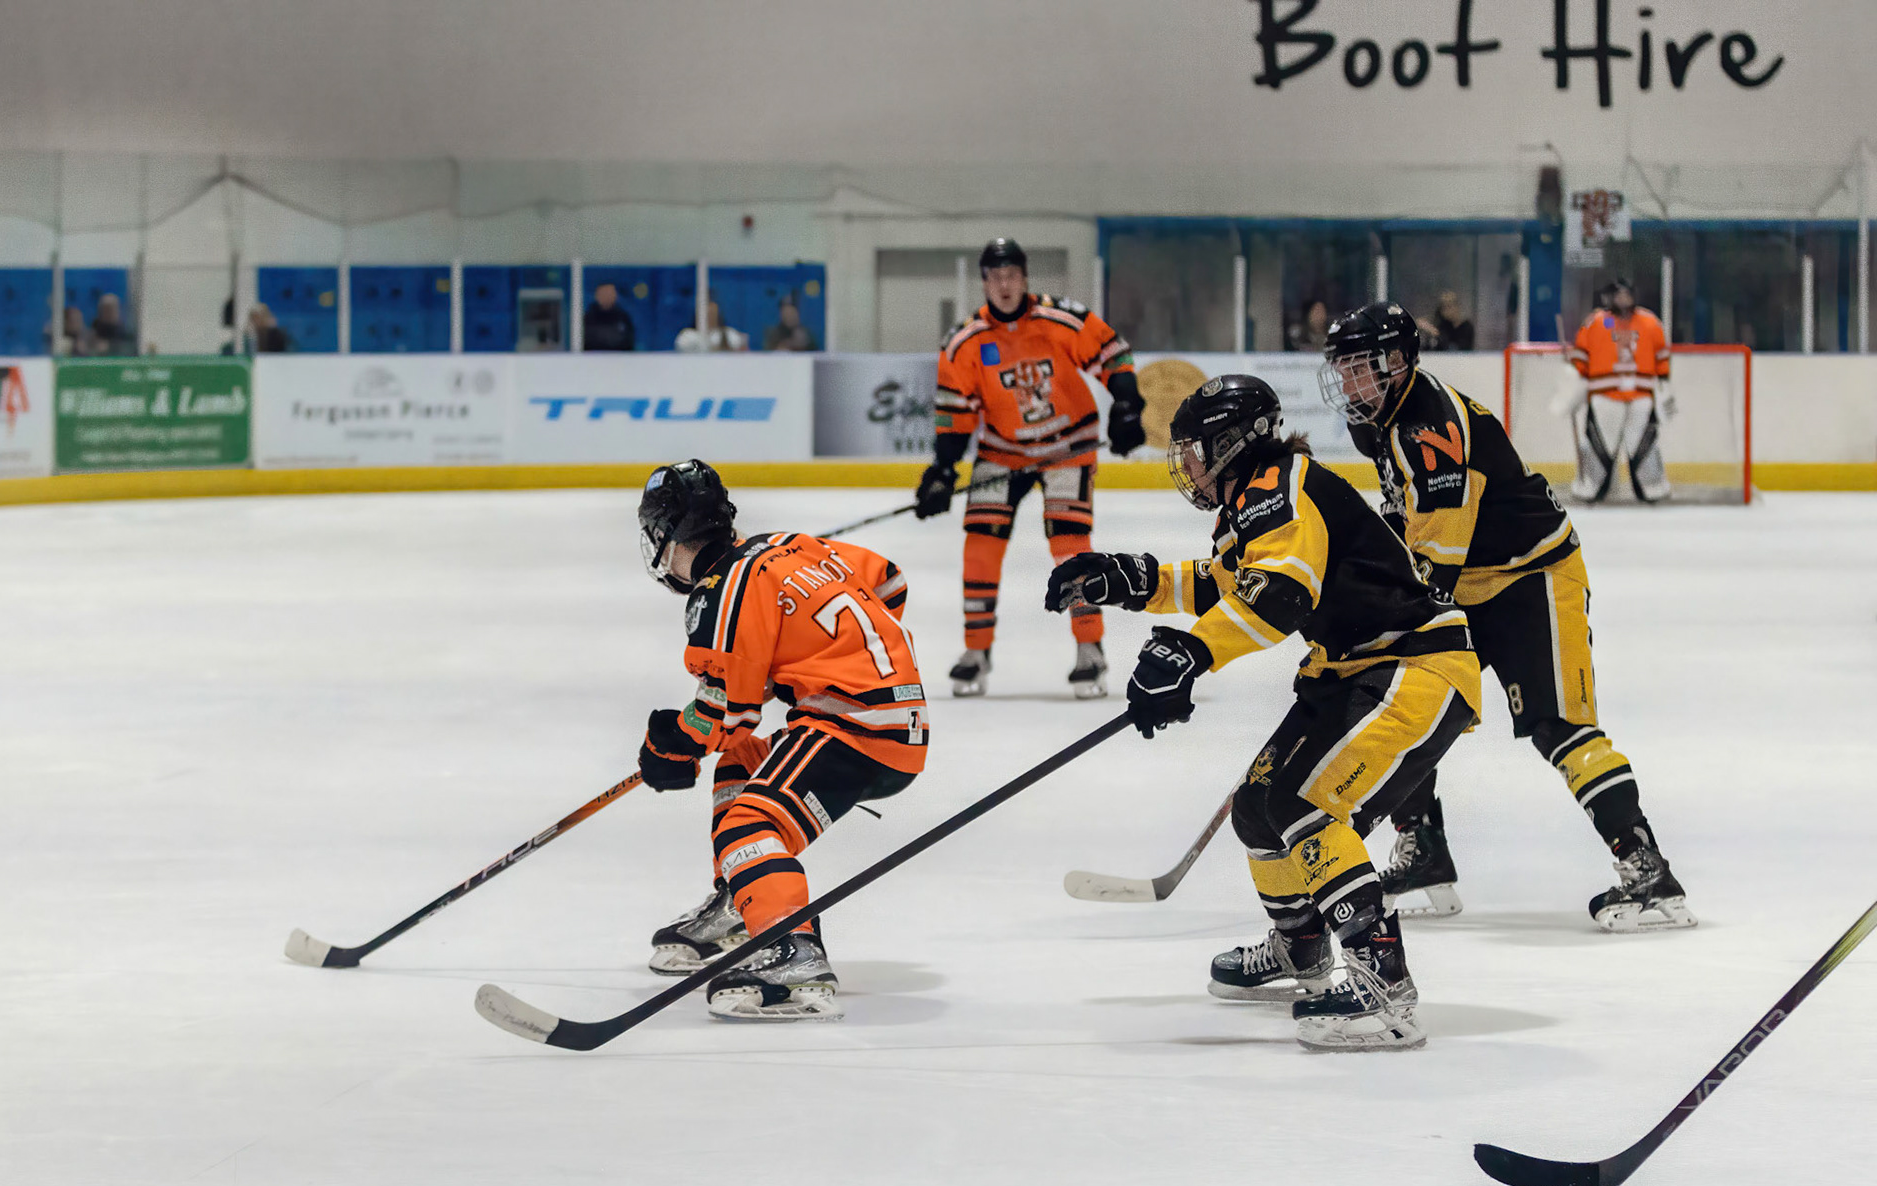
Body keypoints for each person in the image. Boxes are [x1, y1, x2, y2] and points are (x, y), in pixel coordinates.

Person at [1046, 375, 1481, 1051]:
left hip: (1413, 668)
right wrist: (1129, 580)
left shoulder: (1283, 485)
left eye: (1195, 451)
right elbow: (1224, 583)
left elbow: (1279, 595)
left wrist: (1192, 652)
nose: (1187, 466)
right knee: (1257, 806)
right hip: (1355, 670)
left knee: (1306, 805)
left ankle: (1384, 988)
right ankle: (1301, 947)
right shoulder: (1254, 501)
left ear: (1230, 445)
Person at [1320, 302, 1694, 933]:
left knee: (1559, 727)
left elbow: (1433, 567)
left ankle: (1646, 865)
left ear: (1396, 361)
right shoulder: (1377, 419)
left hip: (1531, 577)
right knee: (1405, 707)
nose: (1348, 382)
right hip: (1470, 577)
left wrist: (1359, 615)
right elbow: (1409, 521)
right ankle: (1424, 850)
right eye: (1343, 368)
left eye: (1359, 367)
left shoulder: (1427, 426)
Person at [634, 460, 929, 1021]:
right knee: (741, 761)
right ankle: (743, 900)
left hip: (855, 727)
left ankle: (792, 951)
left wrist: (671, 743)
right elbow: (889, 579)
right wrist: (817, 655)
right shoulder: (793, 545)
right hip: (891, 717)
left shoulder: (719, 591)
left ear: (669, 538)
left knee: (747, 826)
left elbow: (727, 714)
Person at [913, 237, 1145, 700]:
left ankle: (1089, 647)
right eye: (995, 277)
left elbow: (1113, 354)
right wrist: (942, 469)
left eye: (1012, 275)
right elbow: (955, 413)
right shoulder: (964, 342)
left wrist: (1126, 405)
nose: (1004, 285)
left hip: (1068, 447)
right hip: (1003, 451)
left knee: (1069, 544)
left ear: (1024, 278)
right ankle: (976, 650)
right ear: (984, 283)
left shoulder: (1061, 318)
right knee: (980, 544)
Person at [1558, 278, 1674, 503]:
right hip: (1605, 397)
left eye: (1627, 295)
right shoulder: (1595, 322)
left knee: (1644, 447)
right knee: (1598, 447)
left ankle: (1653, 488)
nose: (1623, 299)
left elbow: (1662, 357)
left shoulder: (1650, 322)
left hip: (1640, 397)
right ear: (1609, 298)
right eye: (1619, 295)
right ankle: (1590, 487)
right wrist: (1572, 381)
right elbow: (1581, 358)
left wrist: (1663, 386)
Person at [675, 299, 748, 352]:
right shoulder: (688, 335)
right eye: (707, 314)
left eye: (713, 314)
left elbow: (740, 351)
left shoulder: (729, 334)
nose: (710, 317)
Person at [582, 282, 636, 351]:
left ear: (615, 296)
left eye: (610, 293)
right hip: (592, 356)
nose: (607, 296)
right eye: (603, 293)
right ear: (597, 295)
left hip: (618, 356)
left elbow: (629, 342)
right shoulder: (587, 318)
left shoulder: (623, 318)